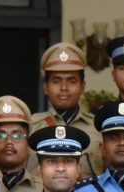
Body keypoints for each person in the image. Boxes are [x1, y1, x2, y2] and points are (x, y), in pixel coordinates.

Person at [29, 42, 102, 179]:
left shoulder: (98, 129)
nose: (64, 87)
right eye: (56, 81)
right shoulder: (31, 127)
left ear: (83, 86)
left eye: (72, 81)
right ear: (45, 87)